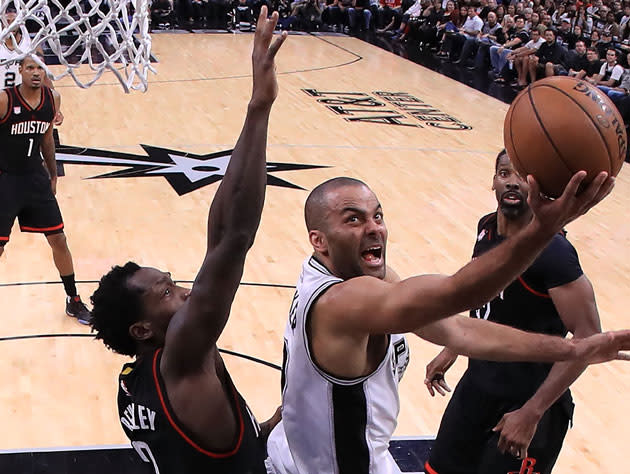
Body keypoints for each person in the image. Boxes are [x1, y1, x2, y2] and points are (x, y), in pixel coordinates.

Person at [266, 168, 628, 474]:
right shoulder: (343, 301)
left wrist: (572, 348)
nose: (374, 228)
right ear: (319, 240)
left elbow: (458, 328)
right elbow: (459, 293)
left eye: (377, 215)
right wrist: (544, 229)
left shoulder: (342, 273)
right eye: (353, 219)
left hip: (300, 454)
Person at [90, 9, 286, 473]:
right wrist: (259, 106)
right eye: (167, 292)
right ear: (142, 329)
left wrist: (259, 433)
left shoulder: (133, 380)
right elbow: (235, 237)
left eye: (173, 282)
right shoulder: (181, 357)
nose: (186, 291)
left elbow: (219, 238)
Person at [424, 150, 605, 474]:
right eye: (504, 173)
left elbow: (588, 338)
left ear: (538, 188)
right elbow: (484, 297)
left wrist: (532, 412)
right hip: (477, 389)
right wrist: (452, 347)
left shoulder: (555, 253)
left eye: (523, 176)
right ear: (493, 180)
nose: (512, 182)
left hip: (528, 404)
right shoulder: (487, 229)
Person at [0, 54, 89, 324]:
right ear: (20, 71)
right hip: (6, 179)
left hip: (35, 177)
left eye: (40, 68)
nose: (36, 73)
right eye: (30, 68)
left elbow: (47, 138)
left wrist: (53, 172)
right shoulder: (5, 99)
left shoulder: (53, 99)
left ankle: (73, 300)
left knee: (59, 239)